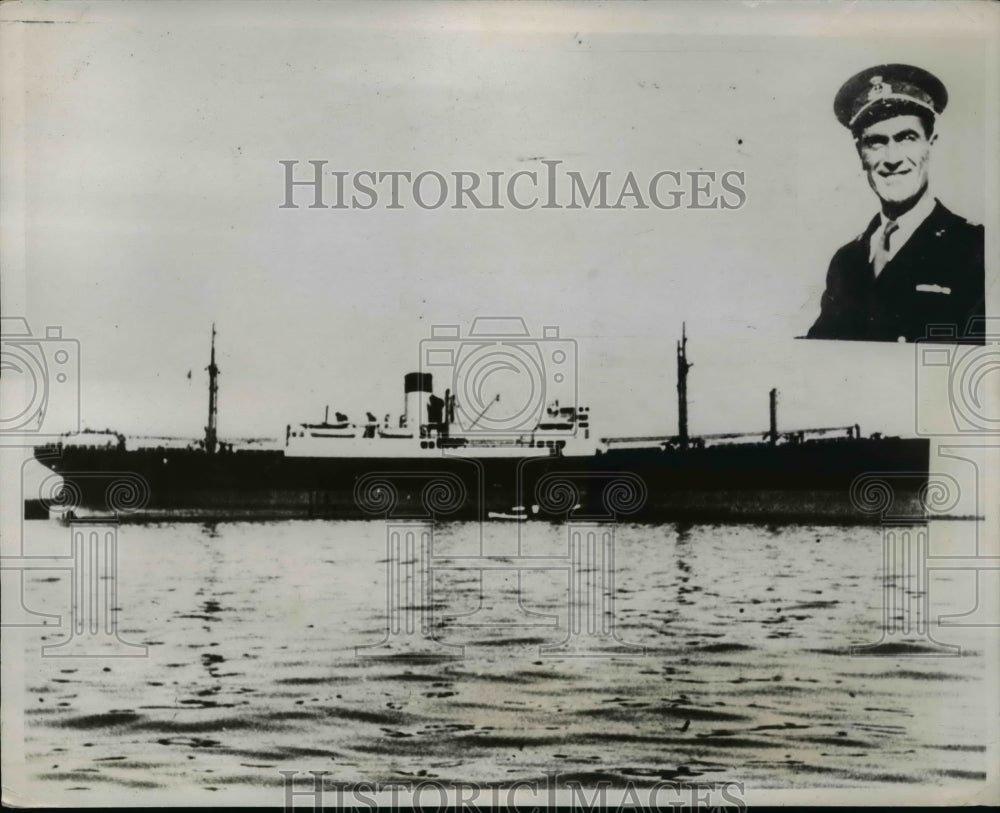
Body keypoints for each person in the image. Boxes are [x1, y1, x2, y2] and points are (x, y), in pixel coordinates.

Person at [806, 64, 985, 344]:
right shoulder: (847, 260)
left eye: (906, 138)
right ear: (860, 153)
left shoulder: (977, 248)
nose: (892, 158)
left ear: (931, 144)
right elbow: (819, 355)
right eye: (876, 143)